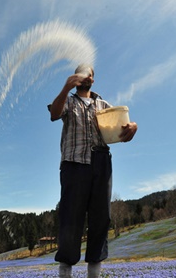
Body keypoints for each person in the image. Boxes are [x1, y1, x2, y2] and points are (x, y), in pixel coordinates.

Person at [48, 64, 137, 278]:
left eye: (89, 73)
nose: (85, 76)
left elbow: (121, 129)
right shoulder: (68, 101)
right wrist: (64, 88)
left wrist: (132, 128)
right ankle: (65, 271)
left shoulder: (104, 105)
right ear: (75, 78)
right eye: (80, 73)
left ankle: (94, 273)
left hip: (101, 162)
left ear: (93, 79)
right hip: (74, 162)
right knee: (71, 216)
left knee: (101, 218)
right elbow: (54, 114)